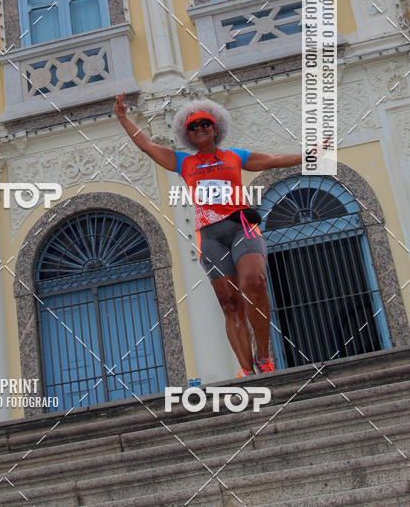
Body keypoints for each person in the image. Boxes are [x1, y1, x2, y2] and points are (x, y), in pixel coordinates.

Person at [114, 95, 305, 377]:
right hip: (210, 236)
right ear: (188, 135)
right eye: (193, 126)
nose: (200, 128)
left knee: (254, 281)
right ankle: (247, 370)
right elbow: (147, 145)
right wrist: (123, 117)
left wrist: (308, 156)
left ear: (216, 129)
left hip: (241, 225)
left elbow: (274, 161)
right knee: (230, 302)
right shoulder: (184, 162)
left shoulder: (234, 156)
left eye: (205, 123)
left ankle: (264, 356)